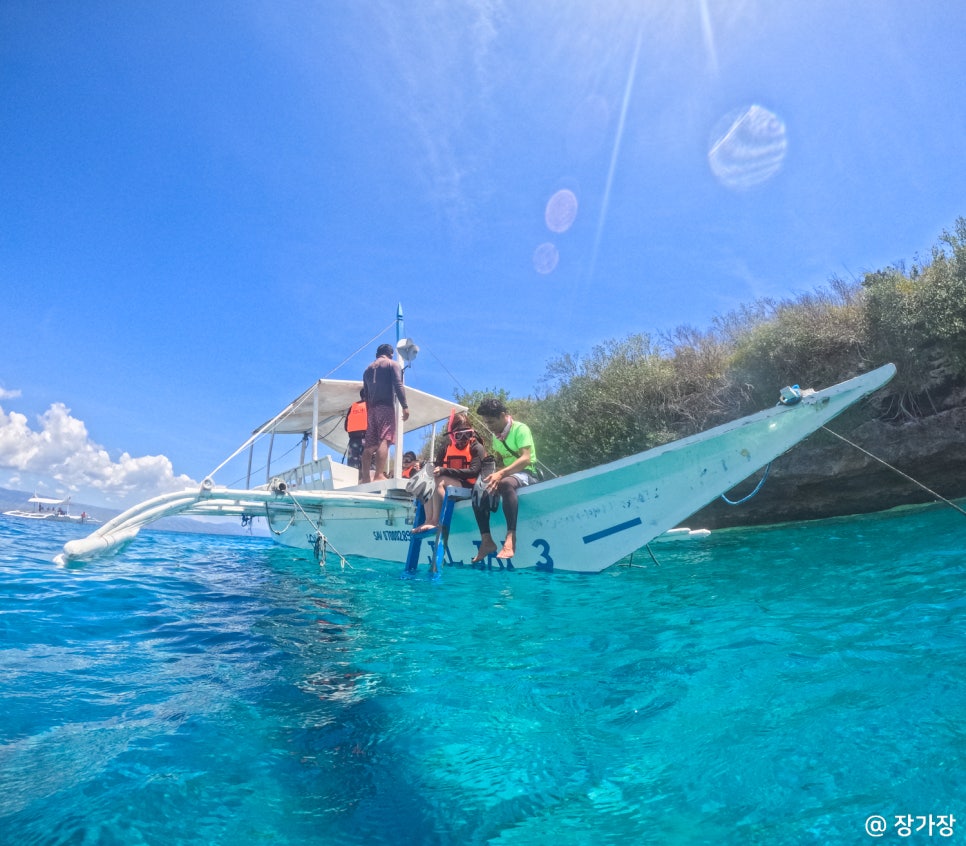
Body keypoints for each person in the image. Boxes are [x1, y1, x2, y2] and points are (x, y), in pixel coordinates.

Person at [471, 398, 538, 562]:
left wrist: (501, 475)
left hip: (527, 473)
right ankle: (487, 541)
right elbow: (500, 462)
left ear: (502, 416)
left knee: (505, 483)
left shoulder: (520, 429)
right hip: (509, 474)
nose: (489, 426)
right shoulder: (496, 437)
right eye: (486, 422)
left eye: (492, 422)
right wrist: (489, 477)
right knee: (478, 489)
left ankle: (511, 537)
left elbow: (525, 459)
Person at [415, 412, 485, 533]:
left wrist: (444, 470)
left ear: (472, 433)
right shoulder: (445, 449)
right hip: (452, 484)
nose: (463, 440)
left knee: (438, 480)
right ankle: (428, 520)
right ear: (452, 435)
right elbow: (437, 467)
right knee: (426, 478)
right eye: (459, 436)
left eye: (467, 435)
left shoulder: (476, 447)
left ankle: (435, 521)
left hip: (470, 486)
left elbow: (474, 472)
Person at [359, 343, 410, 482]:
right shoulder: (392, 364)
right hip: (385, 406)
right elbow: (398, 385)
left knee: (369, 445)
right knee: (385, 439)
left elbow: (366, 394)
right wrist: (405, 406)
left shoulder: (367, 370)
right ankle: (378, 475)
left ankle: (365, 478)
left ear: (377, 354)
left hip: (372, 409)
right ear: (391, 354)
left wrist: (370, 411)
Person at [344, 389, 367, 472]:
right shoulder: (371, 406)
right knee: (366, 463)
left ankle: (352, 480)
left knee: (352, 465)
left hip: (353, 439)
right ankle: (364, 481)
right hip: (366, 437)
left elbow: (346, 426)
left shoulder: (353, 406)